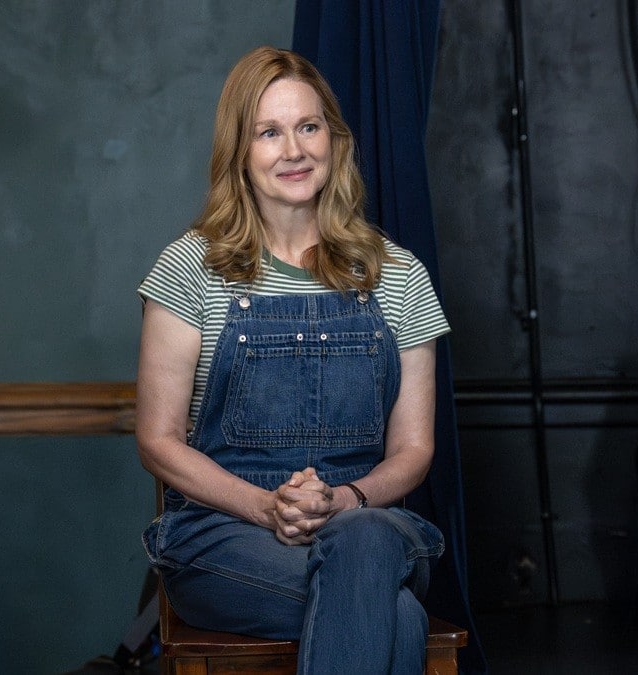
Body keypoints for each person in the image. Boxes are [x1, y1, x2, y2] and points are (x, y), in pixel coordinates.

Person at [135, 45, 450, 674]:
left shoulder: (398, 275)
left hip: (364, 521)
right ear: (239, 152)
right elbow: (157, 441)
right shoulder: (191, 268)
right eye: (269, 133)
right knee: (395, 611)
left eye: (309, 127)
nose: (294, 150)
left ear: (334, 140)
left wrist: (348, 499)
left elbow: (415, 449)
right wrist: (265, 507)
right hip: (225, 535)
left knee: (365, 541)